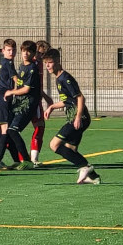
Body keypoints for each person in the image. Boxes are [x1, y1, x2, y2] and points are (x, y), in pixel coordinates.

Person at [44, 47, 100, 185]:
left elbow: (80, 98)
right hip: (75, 117)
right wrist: (51, 107)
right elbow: (68, 100)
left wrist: (78, 117)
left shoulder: (65, 78)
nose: (47, 66)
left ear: (57, 61)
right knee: (70, 149)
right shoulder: (58, 79)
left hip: (79, 118)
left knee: (54, 145)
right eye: (46, 63)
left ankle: (85, 167)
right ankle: (94, 176)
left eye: (50, 62)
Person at [3, 40, 40, 169]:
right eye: (24, 51)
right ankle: (18, 160)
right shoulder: (21, 66)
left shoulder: (32, 68)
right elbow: (18, 83)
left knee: (13, 130)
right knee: (7, 132)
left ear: (33, 53)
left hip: (27, 104)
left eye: (29, 51)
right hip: (18, 103)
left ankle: (27, 160)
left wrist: (11, 92)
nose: (26, 53)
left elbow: (26, 89)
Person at [0, 38, 21, 169]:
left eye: (13, 50)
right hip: (3, 98)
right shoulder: (9, 63)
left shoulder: (2, 62)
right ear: (3, 51)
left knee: (8, 130)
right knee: (6, 130)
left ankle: (16, 159)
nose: (11, 52)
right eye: (8, 50)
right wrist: (16, 92)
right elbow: (16, 79)